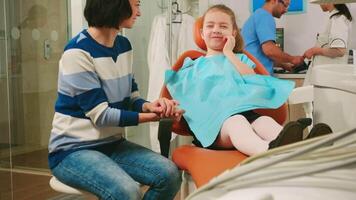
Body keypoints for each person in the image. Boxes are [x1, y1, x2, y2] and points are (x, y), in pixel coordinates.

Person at [48, 0, 183, 199]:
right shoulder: (77, 53)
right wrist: (155, 117)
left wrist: (150, 106)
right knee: (126, 191)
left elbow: (130, 97)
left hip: (112, 145)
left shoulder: (123, 45)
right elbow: (101, 116)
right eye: (136, 5)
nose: (139, 13)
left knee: (169, 175)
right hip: (72, 151)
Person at [165, 4, 306, 156]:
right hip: (215, 127)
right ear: (202, 32)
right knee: (237, 121)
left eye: (223, 26)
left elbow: (251, 79)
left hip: (247, 116)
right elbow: (185, 95)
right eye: (210, 25)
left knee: (264, 121)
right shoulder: (191, 65)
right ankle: (267, 152)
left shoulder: (240, 59)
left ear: (233, 32)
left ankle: (302, 148)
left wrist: (229, 53)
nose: (216, 29)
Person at [241, 0, 304, 75]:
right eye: (285, 5)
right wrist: (292, 59)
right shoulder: (265, 16)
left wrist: (283, 65)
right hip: (258, 78)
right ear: (274, 1)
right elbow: (269, 50)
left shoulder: (257, 15)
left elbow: (259, 55)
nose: (286, 10)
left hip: (251, 74)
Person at [303, 2, 352, 73]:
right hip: (326, 75)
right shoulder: (334, 18)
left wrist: (314, 50)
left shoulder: (338, 19)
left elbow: (339, 51)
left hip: (331, 76)